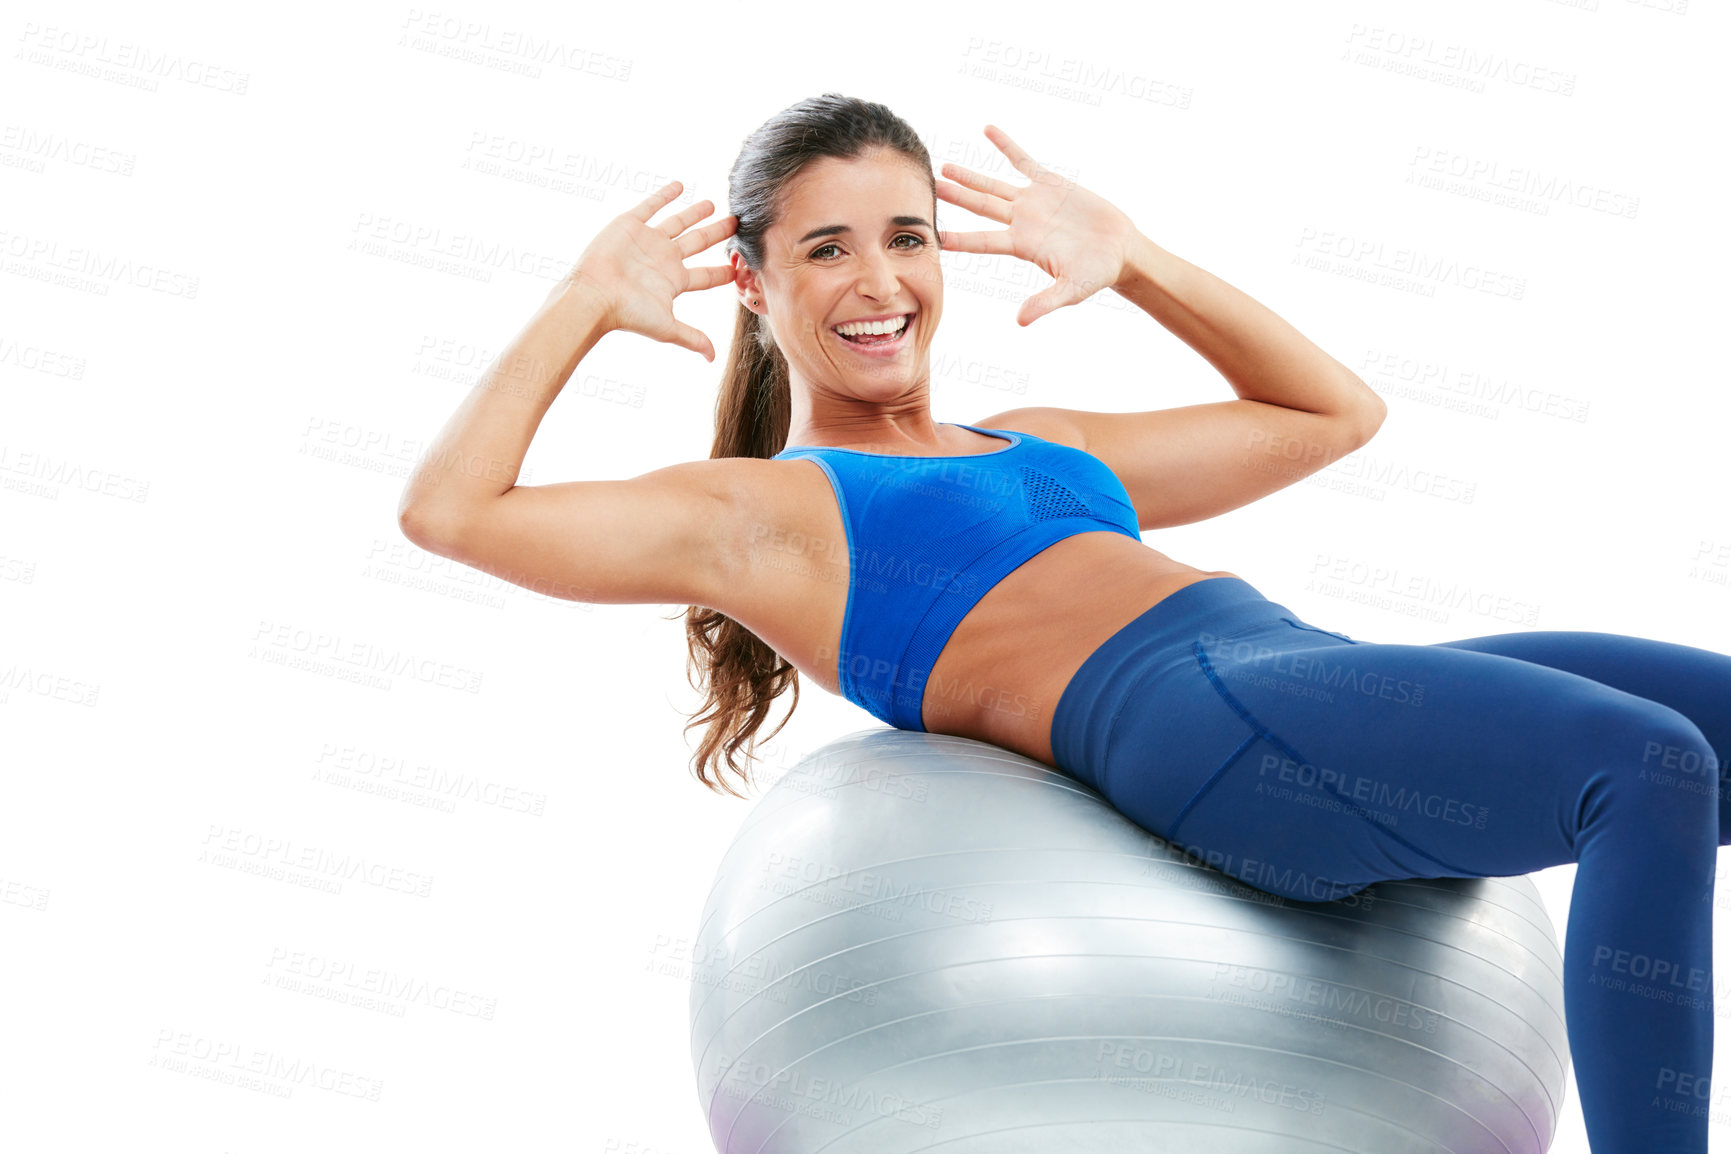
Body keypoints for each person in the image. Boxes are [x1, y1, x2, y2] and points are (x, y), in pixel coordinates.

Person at [398, 93, 1729, 1152]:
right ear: (750, 282)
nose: (879, 279)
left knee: (1706, 724)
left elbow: (1331, 414)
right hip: (1205, 731)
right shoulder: (777, 512)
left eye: (906, 233)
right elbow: (454, 513)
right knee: (1647, 767)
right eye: (826, 245)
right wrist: (583, 299)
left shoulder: (1038, 440)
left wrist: (1135, 259)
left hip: (1303, 671)